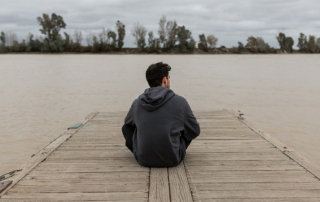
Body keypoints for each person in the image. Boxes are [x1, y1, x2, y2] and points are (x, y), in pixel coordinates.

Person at [122, 62, 200, 167]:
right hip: (173, 159)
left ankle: (145, 150)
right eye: (169, 77)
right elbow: (195, 130)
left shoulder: (137, 102)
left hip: (144, 160)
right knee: (186, 127)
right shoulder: (180, 102)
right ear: (165, 80)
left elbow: (128, 123)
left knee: (126, 128)